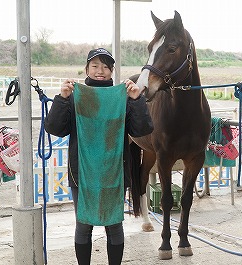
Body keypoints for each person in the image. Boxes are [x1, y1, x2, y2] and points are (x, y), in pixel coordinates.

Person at [44, 48, 153, 265]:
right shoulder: (75, 97)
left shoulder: (122, 98)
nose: (100, 71)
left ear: (112, 71)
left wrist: (136, 100)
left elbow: (142, 130)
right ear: (86, 69)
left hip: (115, 172)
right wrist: (62, 99)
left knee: (114, 225)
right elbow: (55, 128)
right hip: (82, 174)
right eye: (95, 66)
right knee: (83, 225)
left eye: (105, 66)